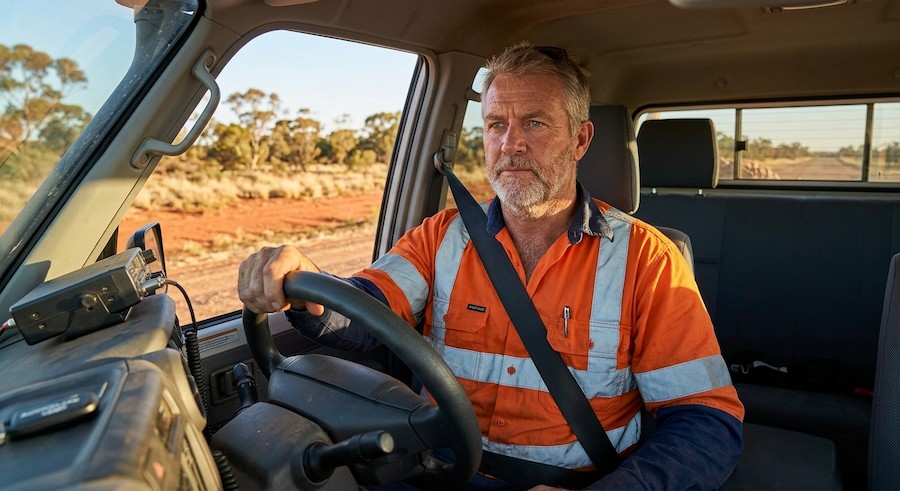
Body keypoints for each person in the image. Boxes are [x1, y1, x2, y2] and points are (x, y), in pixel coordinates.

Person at [238, 42, 744, 490]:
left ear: (582, 140)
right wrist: (308, 284)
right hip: (432, 471)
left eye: (535, 123)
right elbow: (369, 314)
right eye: (497, 125)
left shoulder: (647, 260)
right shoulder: (441, 235)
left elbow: (706, 420)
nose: (511, 144)